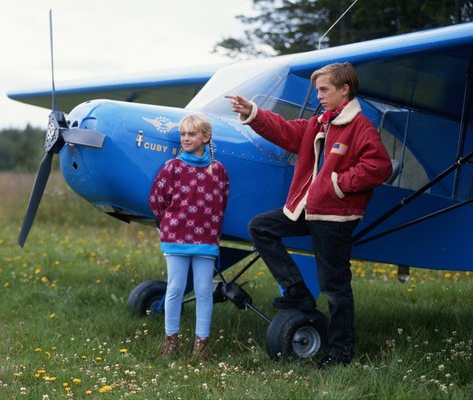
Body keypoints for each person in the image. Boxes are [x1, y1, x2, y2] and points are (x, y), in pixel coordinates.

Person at [226, 62, 392, 369]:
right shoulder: (319, 123)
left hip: (334, 215)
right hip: (308, 208)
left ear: (345, 90)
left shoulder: (361, 127)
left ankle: (341, 353)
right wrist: (254, 112)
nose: (319, 96)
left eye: (324, 89)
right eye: (317, 90)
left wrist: (337, 184)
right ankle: (297, 292)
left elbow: (379, 166)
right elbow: (286, 131)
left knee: (334, 286)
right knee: (261, 227)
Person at [148, 113, 230, 362]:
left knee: (204, 290)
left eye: (191, 134)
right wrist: (171, 224)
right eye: (182, 134)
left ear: (205, 137)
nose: (185, 138)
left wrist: (208, 226)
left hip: (206, 239)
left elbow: (222, 203)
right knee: (175, 288)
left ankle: (201, 345)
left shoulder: (218, 171)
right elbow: (156, 200)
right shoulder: (172, 167)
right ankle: (170, 341)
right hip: (176, 238)